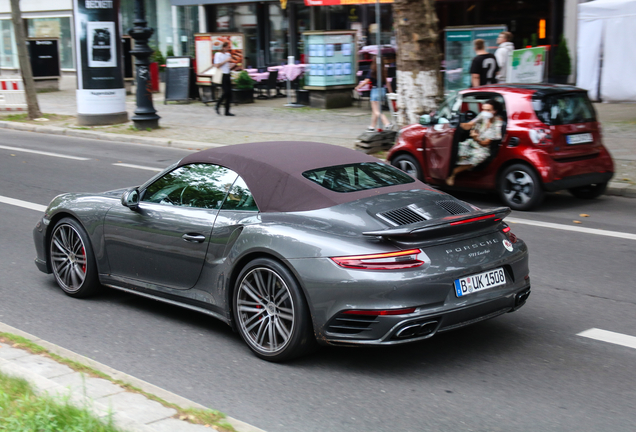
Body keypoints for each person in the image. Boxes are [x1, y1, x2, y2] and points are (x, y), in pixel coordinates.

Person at [446, 99, 504, 186]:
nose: (484, 112)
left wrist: (476, 137)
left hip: (483, 148)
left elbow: (486, 143)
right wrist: (456, 125)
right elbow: (469, 124)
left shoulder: (497, 124)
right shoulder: (483, 116)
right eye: (484, 109)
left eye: (488, 110)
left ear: (494, 111)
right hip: (472, 142)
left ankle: (454, 172)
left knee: (477, 157)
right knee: (455, 148)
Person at [354, 58, 393, 131]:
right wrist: (390, 92)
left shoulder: (372, 71)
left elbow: (366, 81)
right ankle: (372, 127)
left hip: (375, 91)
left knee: (376, 111)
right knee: (375, 110)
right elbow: (387, 83)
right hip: (382, 90)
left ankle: (387, 123)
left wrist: (358, 87)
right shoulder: (384, 71)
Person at [213, 42, 236, 116]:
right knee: (226, 92)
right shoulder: (218, 55)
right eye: (226, 47)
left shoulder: (228, 54)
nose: (227, 49)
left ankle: (227, 111)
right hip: (222, 75)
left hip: (227, 74)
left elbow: (227, 65)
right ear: (223, 47)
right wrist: (225, 61)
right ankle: (217, 105)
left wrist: (232, 65)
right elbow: (217, 65)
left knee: (229, 93)